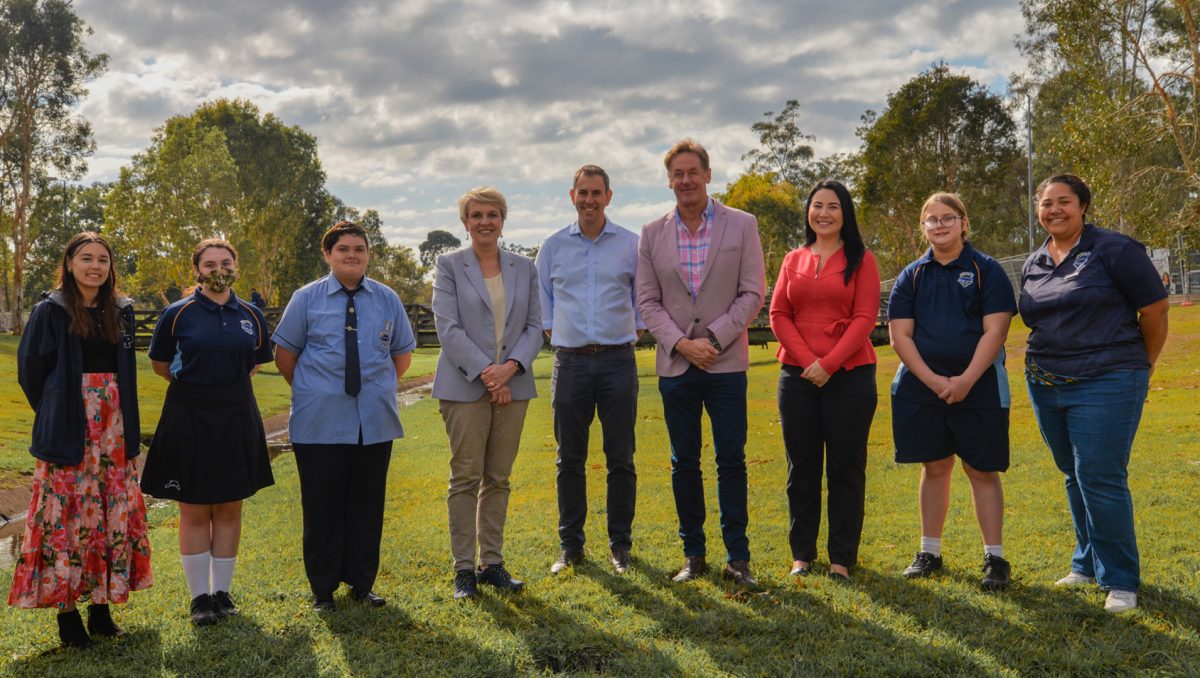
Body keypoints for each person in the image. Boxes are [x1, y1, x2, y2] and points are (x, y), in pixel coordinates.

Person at [1020, 174, 1169, 613]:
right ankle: (1085, 563)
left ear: (1083, 206)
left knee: (1101, 478)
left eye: (1064, 201)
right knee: (1073, 473)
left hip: (1108, 379)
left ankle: (1120, 580)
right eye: (1046, 203)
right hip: (1045, 382)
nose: (1054, 210)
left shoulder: (1116, 250)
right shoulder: (1035, 261)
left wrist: (1142, 366)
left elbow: (1156, 310)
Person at [9, 232, 152, 648]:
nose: (95, 266)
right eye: (86, 258)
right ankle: (68, 617)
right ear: (69, 263)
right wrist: (58, 409)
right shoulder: (49, 311)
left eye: (103, 259)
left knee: (108, 514)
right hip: (68, 428)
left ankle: (101, 611)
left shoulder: (121, 311)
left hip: (115, 426)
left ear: (111, 267)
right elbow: (31, 372)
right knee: (66, 518)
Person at [636, 139, 765, 587]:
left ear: (708, 175)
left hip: (726, 365)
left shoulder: (742, 225)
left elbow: (752, 293)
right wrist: (683, 344)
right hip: (677, 367)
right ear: (669, 180)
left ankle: (738, 557)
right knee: (683, 462)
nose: (686, 180)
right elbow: (647, 302)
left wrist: (713, 338)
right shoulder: (652, 233)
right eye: (678, 173)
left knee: (731, 459)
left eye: (693, 172)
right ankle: (693, 555)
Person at [273, 221, 416, 611]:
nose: (352, 255)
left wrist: (374, 387)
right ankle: (323, 589)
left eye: (359, 249)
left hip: (373, 421)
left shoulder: (387, 299)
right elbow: (286, 355)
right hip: (319, 422)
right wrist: (314, 389)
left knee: (367, 505)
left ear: (368, 254)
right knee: (322, 507)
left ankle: (361, 582)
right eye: (343, 249)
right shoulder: (307, 298)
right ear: (328, 254)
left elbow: (401, 355)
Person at [141, 238, 276, 625]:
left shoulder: (250, 313)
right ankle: (200, 598)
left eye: (226, 262)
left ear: (236, 266)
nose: (219, 269)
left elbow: (254, 363)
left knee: (230, 505)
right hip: (188, 416)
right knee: (195, 508)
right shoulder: (177, 314)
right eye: (210, 263)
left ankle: (223, 593)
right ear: (197, 270)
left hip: (236, 415)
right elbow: (161, 364)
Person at [886, 193, 1016, 590]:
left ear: (964, 222)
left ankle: (995, 559)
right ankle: (930, 552)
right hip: (923, 388)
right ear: (922, 227)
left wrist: (965, 380)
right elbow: (899, 336)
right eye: (932, 220)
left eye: (948, 218)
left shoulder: (987, 270)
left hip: (979, 386)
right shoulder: (911, 275)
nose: (940, 226)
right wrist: (934, 381)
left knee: (982, 470)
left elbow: (996, 330)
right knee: (935, 467)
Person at [432, 186, 543, 599]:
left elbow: (535, 326)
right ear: (465, 222)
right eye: (476, 215)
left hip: (514, 384)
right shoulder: (448, 265)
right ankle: (464, 570)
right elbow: (449, 327)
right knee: (466, 476)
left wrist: (510, 369)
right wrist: (486, 373)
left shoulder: (524, 268)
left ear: (503, 220)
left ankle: (491, 564)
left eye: (492, 215)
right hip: (464, 386)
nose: (484, 222)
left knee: (498, 476)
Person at [769, 179, 879, 583]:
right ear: (809, 212)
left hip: (849, 376)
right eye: (817, 206)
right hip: (797, 378)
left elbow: (865, 317)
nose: (824, 213)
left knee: (846, 468)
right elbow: (778, 314)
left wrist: (829, 363)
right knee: (802, 468)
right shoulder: (792, 258)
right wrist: (807, 361)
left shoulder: (861, 259)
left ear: (845, 213)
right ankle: (802, 555)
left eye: (833, 206)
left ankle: (841, 559)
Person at [536, 165, 643, 576]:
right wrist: (558, 331)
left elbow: (641, 297)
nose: (589, 200)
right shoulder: (552, 246)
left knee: (621, 457)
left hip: (618, 360)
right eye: (583, 192)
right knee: (569, 459)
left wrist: (629, 330)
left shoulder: (631, 244)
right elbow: (542, 298)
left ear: (609, 197)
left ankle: (620, 546)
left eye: (597, 193)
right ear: (572, 195)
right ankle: (571, 546)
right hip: (571, 362)